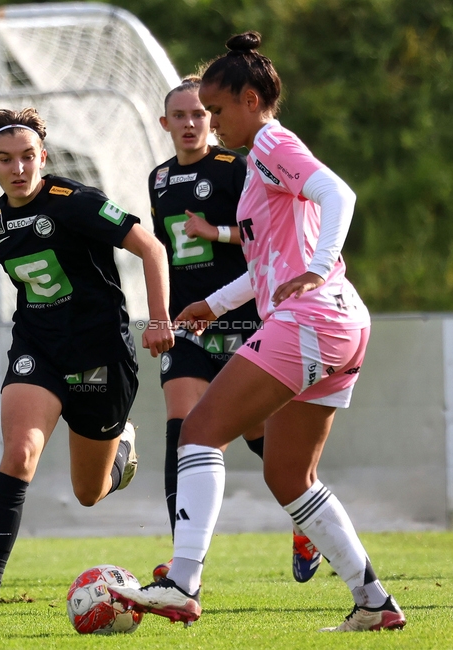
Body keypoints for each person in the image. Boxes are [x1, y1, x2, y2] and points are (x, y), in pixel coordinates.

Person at [111, 32, 406, 632]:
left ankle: (181, 581)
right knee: (289, 475)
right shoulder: (257, 164)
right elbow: (268, 262)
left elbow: (337, 193)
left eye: (216, 111)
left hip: (314, 316)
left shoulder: (271, 141)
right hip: (344, 320)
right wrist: (214, 304)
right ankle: (374, 602)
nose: (212, 123)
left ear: (251, 100)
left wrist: (318, 268)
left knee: (198, 432)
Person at [0, 108, 174, 626]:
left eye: (28, 157)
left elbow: (151, 248)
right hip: (38, 351)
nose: (19, 168)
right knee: (20, 452)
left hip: (100, 354)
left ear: (43, 157)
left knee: (88, 494)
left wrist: (160, 319)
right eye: (6, 160)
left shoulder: (76, 203)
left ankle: (122, 448)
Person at [149, 76, 322, 583]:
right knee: (182, 428)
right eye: (179, 116)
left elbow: (263, 239)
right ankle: (182, 559)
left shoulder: (237, 167)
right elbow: (162, 251)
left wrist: (215, 232)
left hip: (242, 314)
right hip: (190, 319)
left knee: (259, 435)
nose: (190, 123)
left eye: (199, 114)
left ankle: (305, 515)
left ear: (212, 117)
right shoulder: (158, 179)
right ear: (165, 123)